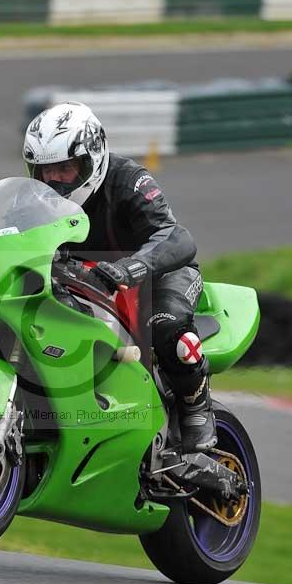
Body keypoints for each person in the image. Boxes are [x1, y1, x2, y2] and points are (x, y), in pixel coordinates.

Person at [22, 101, 217, 454]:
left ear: (91, 158)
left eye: (64, 168)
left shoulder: (129, 180)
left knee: (167, 326)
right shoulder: (36, 203)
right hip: (85, 283)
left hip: (157, 276)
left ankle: (195, 407)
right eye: (44, 171)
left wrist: (131, 267)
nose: (53, 181)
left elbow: (177, 237)